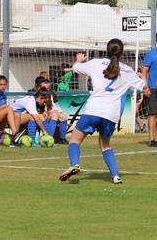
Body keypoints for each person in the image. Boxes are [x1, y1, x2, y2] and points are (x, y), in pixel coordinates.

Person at [60, 39, 150, 184]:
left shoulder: (96, 63)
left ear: (107, 50)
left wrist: (79, 60)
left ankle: (75, 164)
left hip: (93, 110)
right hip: (111, 115)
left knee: (74, 141)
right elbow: (145, 89)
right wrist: (141, 76)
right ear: (122, 52)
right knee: (105, 145)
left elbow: (76, 68)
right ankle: (115, 176)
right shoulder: (127, 70)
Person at [34, 76, 69, 144]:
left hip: (51, 114)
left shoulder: (52, 94)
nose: (47, 90)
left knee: (63, 116)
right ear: (40, 88)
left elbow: (57, 107)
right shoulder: (37, 96)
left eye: (48, 88)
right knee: (55, 115)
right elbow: (39, 110)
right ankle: (49, 139)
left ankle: (62, 139)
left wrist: (59, 113)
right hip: (41, 116)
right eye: (45, 88)